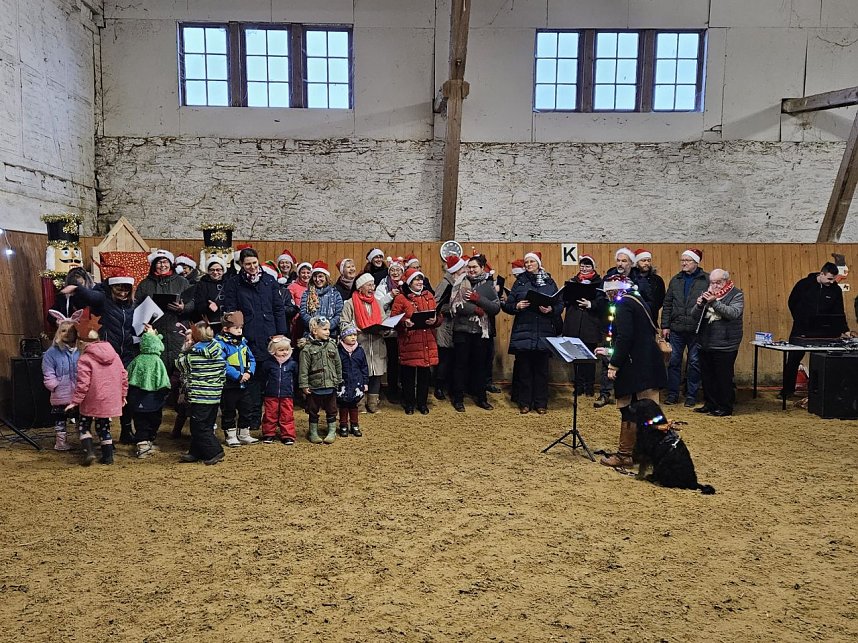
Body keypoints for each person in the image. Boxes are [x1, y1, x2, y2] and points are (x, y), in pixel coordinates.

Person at [61, 271, 138, 444]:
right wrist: (77, 288)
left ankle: (126, 430)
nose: (123, 292)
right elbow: (90, 296)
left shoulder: (132, 304)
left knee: (128, 395)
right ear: (112, 287)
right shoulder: (103, 299)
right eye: (119, 288)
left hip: (126, 354)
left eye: (126, 289)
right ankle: (105, 435)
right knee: (103, 394)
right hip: (105, 356)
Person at [597, 280, 667, 468]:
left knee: (629, 409)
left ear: (614, 293)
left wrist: (614, 364)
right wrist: (610, 350)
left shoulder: (623, 304)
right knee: (650, 411)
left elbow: (626, 337)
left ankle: (625, 455)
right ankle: (648, 453)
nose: (608, 298)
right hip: (648, 364)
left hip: (636, 368)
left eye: (608, 295)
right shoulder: (637, 300)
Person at [223, 247, 288, 432]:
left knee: (267, 378)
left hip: (269, 336)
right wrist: (236, 331)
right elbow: (231, 309)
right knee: (250, 379)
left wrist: (281, 333)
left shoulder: (269, 281)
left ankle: (270, 416)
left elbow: (278, 308)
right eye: (247, 264)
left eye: (254, 263)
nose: (251, 267)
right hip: (246, 337)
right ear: (241, 265)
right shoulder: (234, 284)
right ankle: (252, 416)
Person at [780, 262, 850, 399]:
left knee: (822, 360)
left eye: (834, 279)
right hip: (801, 328)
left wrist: (845, 329)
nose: (831, 282)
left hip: (825, 331)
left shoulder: (835, 290)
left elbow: (839, 311)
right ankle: (787, 390)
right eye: (829, 279)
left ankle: (819, 391)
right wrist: (800, 319)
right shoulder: (804, 284)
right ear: (821, 274)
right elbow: (792, 301)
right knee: (793, 359)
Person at [502, 251, 562, 414]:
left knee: (542, 371)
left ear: (538, 264)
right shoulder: (520, 282)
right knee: (525, 370)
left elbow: (559, 305)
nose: (528, 265)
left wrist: (550, 309)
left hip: (543, 331)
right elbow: (508, 305)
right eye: (526, 262)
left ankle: (541, 403)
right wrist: (516, 306)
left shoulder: (549, 282)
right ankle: (525, 403)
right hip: (524, 331)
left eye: (531, 262)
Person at [66, 331, 128, 467]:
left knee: (84, 426)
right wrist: (123, 395)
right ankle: (108, 457)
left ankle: (89, 453)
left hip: (91, 399)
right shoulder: (115, 355)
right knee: (104, 427)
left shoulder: (85, 359)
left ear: (81, 343)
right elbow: (123, 376)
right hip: (109, 399)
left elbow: (83, 383)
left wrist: (75, 401)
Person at [449, 254, 501, 412]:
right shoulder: (459, 282)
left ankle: (481, 398)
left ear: (481, 268)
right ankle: (458, 399)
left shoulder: (489, 284)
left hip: (481, 331)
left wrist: (478, 299)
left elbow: (496, 308)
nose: (471, 270)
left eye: (474, 267)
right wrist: (474, 309)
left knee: (480, 366)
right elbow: (454, 306)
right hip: (462, 330)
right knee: (460, 366)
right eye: (469, 267)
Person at [692, 269, 744, 417]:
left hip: (726, 344)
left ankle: (725, 407)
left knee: (723, 378)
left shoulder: (736, 294)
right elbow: (694, 316)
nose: (714, 286)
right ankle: (710, 404)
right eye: (712, 282)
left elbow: (733, 313)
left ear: (726, 282)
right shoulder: (707, 293)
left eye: (718, 283)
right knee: (707, 376)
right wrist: (699, 305)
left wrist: (713, 302)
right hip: (706, 341)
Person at [661, 248, 709, 406]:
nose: (683, 263)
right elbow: (667, 304)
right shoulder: (676, 280)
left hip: (697, 329)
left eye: (687, 260)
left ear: (696, 262)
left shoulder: (706, 280)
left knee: (694, 362)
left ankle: (691, 395)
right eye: (682, 260)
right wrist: (665, 325)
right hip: (677, 328)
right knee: (674, 361)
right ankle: (673, 394)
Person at [135, 249, 193, 376]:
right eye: (159, 262)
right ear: (153, 265)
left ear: (171, 263)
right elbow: (137, 305)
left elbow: (192, 303)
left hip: (177, 331)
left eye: (165, 262)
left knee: (178, 369)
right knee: (157, 369)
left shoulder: (182, 282)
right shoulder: (145, 284)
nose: (162, 265)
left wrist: (183, 308)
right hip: (154, 331)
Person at [176, 321, 226, 465]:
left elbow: (180, 365)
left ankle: (214, 451)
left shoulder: (193, 356)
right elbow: (223, 372)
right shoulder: (218, 352)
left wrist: (184, 350)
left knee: (198, 427)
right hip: (214, 397)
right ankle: (195, 452)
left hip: (200, 397)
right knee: (207, 424)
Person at [392, 268, 441, 415]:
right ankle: (409, 403)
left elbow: (439, 316)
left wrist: (435, 320)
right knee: (408, 376)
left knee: (424, 376)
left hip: (427, 340)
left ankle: (422, 403)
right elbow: (393, 317)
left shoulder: (429, 296)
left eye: (421, 279)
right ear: (409, 282)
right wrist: (404, 321)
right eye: (416, 280)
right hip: (410, 341)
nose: (420, 282)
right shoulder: (401, 298)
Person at [593, 248, 637, 408]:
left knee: (625, 358)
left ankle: (625, 393)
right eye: (618, 260)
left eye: (624, 261)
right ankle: (605, 393)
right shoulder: (608, 277)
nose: (620, 263)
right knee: (606, 357)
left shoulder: (637, 279)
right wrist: (606, 300)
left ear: (631, 263)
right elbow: (599, 298)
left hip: (627, 326)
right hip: (609, 323)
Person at [340, 272, 387, 413]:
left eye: (373, 284)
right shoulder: (350, 303)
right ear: (360, 287)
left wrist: (385, 328)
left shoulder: (378, 303)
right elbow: (343, 322)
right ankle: (359, 403)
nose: (372, 287)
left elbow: (383, 320)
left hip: (377, 342)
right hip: (359, 344)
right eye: (369, 284)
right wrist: (352, 329)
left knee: (376, 373)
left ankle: (373, 403)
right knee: (359, 373)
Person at [562, 254, 605, 397]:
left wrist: (591, 304)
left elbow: (603, 303)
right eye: (582, 266)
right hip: (574, 323)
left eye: (587, 266)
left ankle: (589, 386)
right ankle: (578, 386)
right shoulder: (573, 281)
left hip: (590, 324)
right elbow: (565, 300)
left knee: (589, 358)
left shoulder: (600, 283)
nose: (584, 268)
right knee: (576, 357)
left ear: (593, 268)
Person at [125, 326, 170, 458]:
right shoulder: (158, 362)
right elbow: (164, 381)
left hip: (137, 398)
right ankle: (145, 443)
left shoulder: (136, 360)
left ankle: (143, 442)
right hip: (154, 398)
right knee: (153, 420)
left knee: (140, 421)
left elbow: (127, 376)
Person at [215, 311, 258, 447]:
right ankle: (231, 435)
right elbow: (222, 363)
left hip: (244, 384)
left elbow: (251, 359)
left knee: (247, 408)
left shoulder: (243, 343)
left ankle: (244, 433)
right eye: (236, 328)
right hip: (229, 385)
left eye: (240, 328)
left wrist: (249, 372)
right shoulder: (220, 344)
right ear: (226, 329)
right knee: (229, 410)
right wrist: (237, 376)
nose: (239, 331)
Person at [299, 316, 343, 445]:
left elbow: (338, 364)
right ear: (314, 330)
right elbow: (303, 369)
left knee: (332, 408)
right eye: (324, 329)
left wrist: (339, 380)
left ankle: (331, 431)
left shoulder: (332, 345)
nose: (328, 332)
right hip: (314, 385)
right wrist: (304, 385)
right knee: (313, 409)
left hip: (331, 384)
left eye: (328, 329)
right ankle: (313, 431)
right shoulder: (307, 349)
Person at [42, 315, 81, 451]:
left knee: (81, 418)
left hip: (79, 392)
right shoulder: (51, 353)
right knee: (60, 419)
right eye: (63, 330)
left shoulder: (81, 350)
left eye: (71, 331)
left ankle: (83, 440)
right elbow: (48, 371)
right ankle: (60, 442)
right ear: (58, 332)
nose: (67, 334)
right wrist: (53, 385)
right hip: (60, 392)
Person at [433, 255, 467, 401]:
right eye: (462, 268)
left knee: (454, 358)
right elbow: (436, 305)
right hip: (445, 325)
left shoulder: (461, 283)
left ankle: (451, 385)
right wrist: (453, 307)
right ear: (456, 271)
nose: (465, 270)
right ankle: (439, 386)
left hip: (456, 325)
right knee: (444, 357)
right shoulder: (445, 284)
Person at [375, 257, 405, 403]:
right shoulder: (382, 286)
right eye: (392, 270)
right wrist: (390, 296)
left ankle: (399, 386)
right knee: (390, 360)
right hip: (388, 329)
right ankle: (387, 388)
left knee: (400, 360)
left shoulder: (406, 286)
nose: (395, 272)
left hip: (403, 329)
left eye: (398, 270)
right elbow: (377, 304)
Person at [259, 336, 298, 445]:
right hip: (271, 394)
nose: (284, 352)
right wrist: (264, 390)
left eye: (287, 349)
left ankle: (288, 435)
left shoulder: (292, 364)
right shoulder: (268, 364)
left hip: (287, 394)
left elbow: (295, 378)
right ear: (273, 351)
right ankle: (268, 434)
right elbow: (263, 377)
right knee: (270, 414)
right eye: (281, 350)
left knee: (287, 415)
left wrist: (292, 389)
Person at [337, 325, 369, 436]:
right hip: (343, 383)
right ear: (343, 337)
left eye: (355, 335)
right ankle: (343, 425)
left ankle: (355, 425)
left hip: (357, 382)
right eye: (350, 335)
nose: (353, 337)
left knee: (354, 405)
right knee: (343, 405)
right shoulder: (339, 351)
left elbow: (364, 367)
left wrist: (365, 382)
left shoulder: (360, 350)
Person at [300, 261, 344, 338]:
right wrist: (315, 325)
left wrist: (327, 326)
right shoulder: (307, 293)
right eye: (315, 277)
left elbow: (339, 314)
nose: (317, 279)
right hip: (311, 334)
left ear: (326, 277)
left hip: (330, 334)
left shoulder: (335, 294)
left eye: (320, 276)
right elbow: (303, 313)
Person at [632, 248, 666, 324]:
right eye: (643, 261)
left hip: (651, 319)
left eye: (648, 260)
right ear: (636, 262)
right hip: (632, 319)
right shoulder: (631, 279)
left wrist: (652, 308)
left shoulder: (657, 280)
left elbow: (661, 299)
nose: (646, 263)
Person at [192, 257, 227, 325]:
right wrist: (208, 306)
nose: (215, 272)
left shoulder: (229, 283)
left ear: (223, 271)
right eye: (212, 270)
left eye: (218, 270)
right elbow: (198, 304)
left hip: (226, 322)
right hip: (210, 322)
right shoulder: (202, 284)